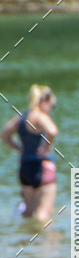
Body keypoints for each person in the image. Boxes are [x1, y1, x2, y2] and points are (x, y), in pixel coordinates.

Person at [1, 84, 58, 221]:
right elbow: (52, 130)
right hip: (42, 167)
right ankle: (46, 242)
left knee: (28, 212)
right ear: (43, 102)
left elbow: (4, 136)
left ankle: (26, 240)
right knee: (43, 215)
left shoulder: (20, 118)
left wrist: (19, 148)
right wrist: (46, 148)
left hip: (25, 168)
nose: (51, 109)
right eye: (51, 106)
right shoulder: (40, 116)